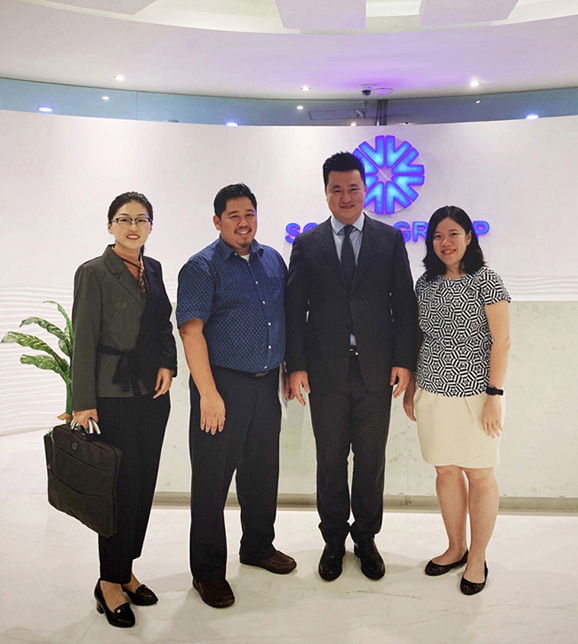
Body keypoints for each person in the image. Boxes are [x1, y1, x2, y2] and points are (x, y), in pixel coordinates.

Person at [285, 152, 417, 581]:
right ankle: (333, 539)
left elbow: (404, 305)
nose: (346, 196)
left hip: (377, 370)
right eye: (337, 189)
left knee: (371, 460)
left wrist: (404, 361)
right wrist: (296, 365)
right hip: (324, 372)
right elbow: (294, 309)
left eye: (353, 188)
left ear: (365, 190)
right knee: (329, 460)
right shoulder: (308, 244)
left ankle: (366, 537)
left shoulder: (388, 239)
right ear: (326, 193)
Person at [177, 183, 296, 609]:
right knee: (212, 481)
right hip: (221, 386)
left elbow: (281, 317)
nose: (243, 223)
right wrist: (208, 393)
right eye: (234, 216)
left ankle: (258, 547)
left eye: (249, 214)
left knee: (262, 472)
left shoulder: (272, 259)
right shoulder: (201, 267)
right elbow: (190, 332)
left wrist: (286, 371)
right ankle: (208, 572)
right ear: (217, 221)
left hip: (267, 383)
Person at [72, 192, 177, 628]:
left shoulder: (153, 268)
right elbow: (82, 339)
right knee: (117, 488)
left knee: (143, 484)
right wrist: (82, 403)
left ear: (151, 226)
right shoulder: (93, 272)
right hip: (112, 393)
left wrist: (168, 363)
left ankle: (126, 569)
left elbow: (163, 324)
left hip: (152, 393)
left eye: (141, 219)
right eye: (123, 219)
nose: (133, 227)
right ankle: (108, 582)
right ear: (110, 226)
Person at [403, 205, 511, 595]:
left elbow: (502, 341)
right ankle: (455, 547)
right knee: (445, 472)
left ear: (468, 236)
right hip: (432, 392)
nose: (445, 242)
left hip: (477, 394)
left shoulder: (487, 280)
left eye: (453, 234)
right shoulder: (425, 283)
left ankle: (477, 558)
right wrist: (413, 386)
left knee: (479, 476)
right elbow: (418, 336)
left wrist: (494, 395)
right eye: (437, 235)